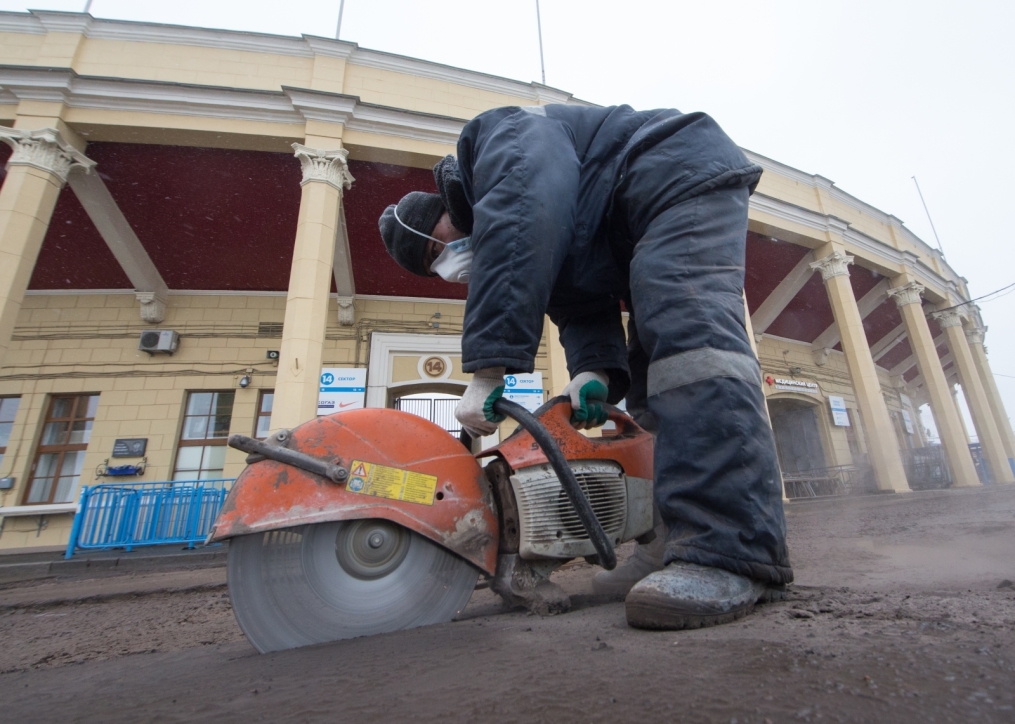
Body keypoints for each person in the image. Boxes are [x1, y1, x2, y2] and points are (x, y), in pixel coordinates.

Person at [378, 103, 792, 630]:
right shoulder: (533, 220)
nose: (449, 265)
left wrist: (490, 368)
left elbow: (523, 208)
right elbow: (577, 303)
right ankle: (673, 538)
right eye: (436, 268)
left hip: (670, 172)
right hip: (631, 219)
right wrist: (594, 370)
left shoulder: (497, 143)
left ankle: (731, 549)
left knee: (689, 349)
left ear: (442, 214)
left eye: (438, 249)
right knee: (652, 382)